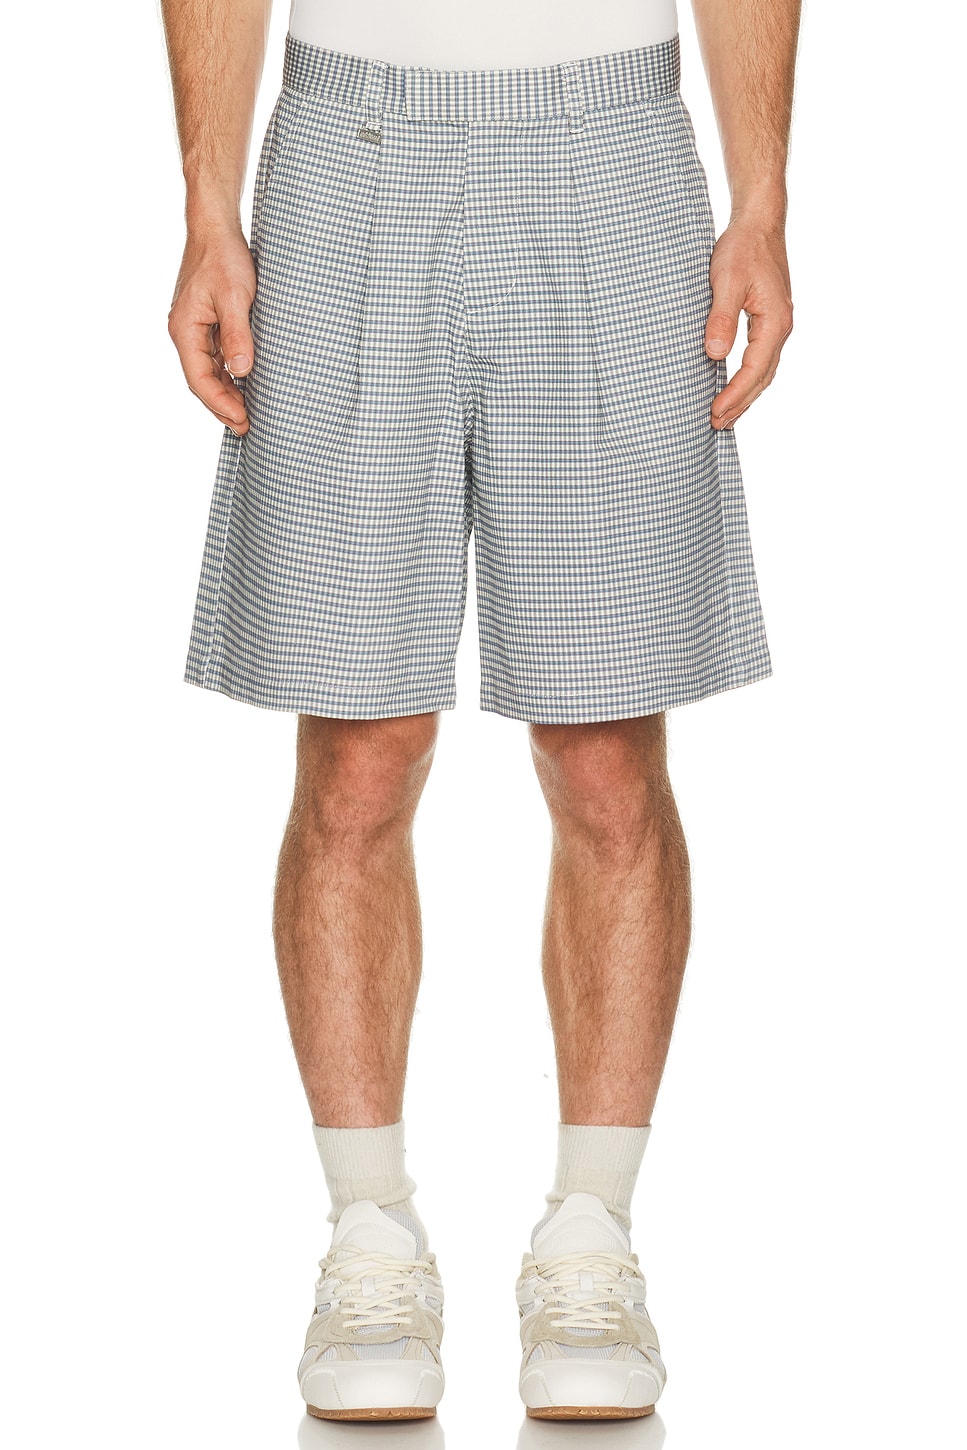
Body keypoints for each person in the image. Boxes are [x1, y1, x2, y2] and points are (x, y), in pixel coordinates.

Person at [161, 0, 799, 1422]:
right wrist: (207, 200)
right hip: (346, 151)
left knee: (605, 748)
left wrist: (761, 194)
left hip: (610, 147)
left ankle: (591, 1238)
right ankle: (370, 1238)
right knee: (357, 747)